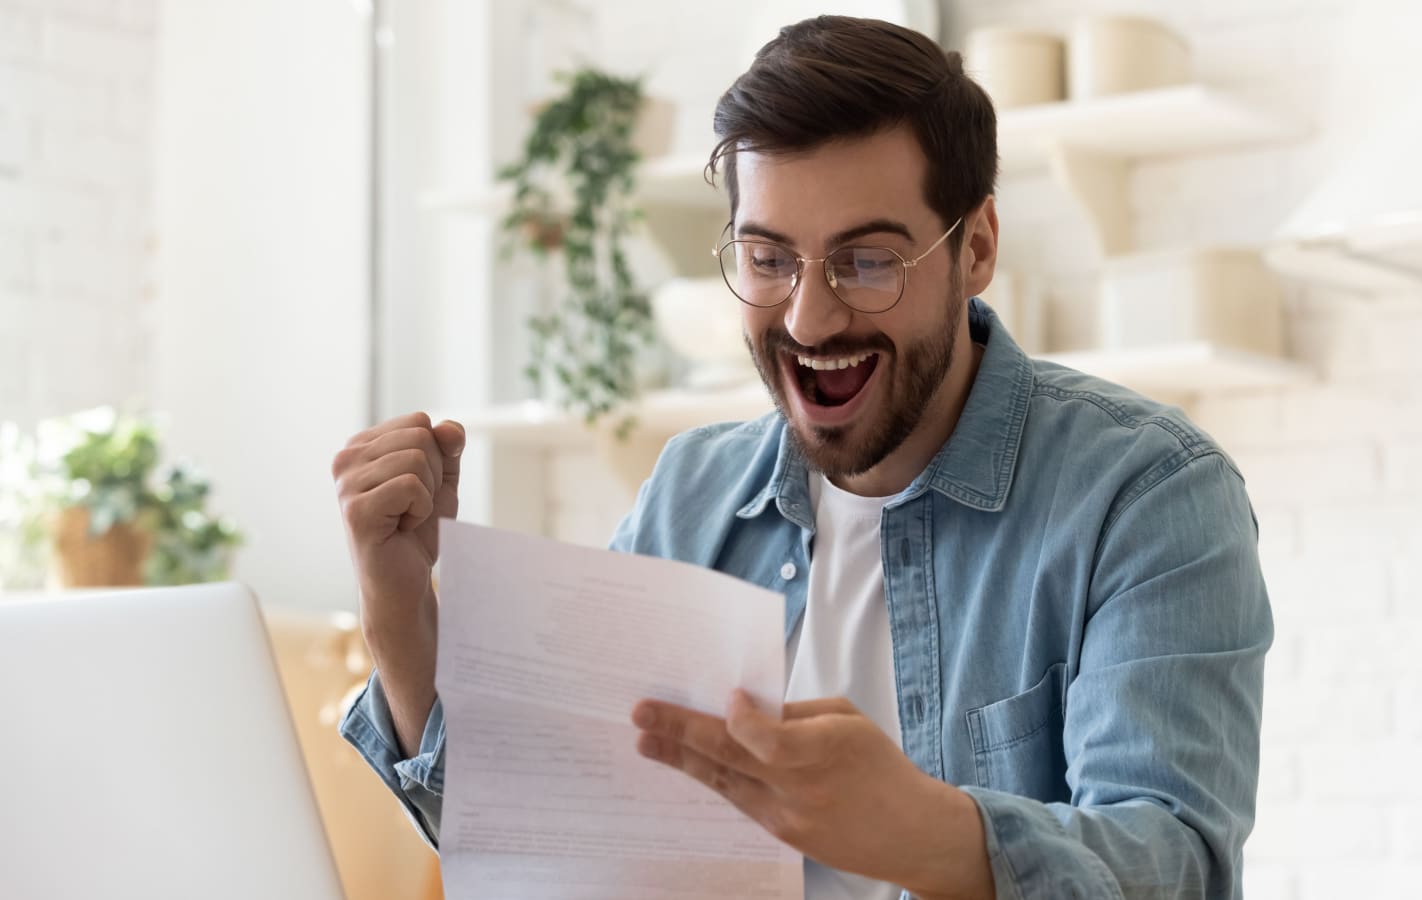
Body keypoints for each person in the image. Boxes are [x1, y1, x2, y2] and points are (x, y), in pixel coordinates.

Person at [333, 15, 1272, 900]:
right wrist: (403, 616)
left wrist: (921, 829)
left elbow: (1174, 863)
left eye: (868, 261)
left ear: (976, 246)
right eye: (769, 257)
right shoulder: (692, 493)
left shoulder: (1147, 493)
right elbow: (556, 836)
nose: (809, 318)